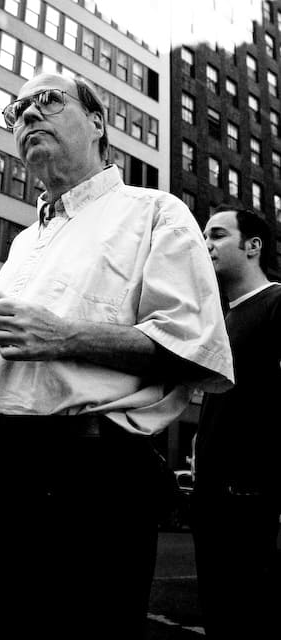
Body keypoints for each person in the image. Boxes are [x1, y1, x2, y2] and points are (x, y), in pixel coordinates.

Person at [0, 73, 234, 639]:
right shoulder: (24, 239)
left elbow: (196, 350)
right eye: (18, 110)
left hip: (69, 480)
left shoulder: (154, 212)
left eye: (48, 100)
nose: (28, 116)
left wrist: (67, 338)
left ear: (98, 122)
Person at [192, 205, 281, 639]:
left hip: (251, 504)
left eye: (217, 235)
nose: (205, 245)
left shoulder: (276, 305)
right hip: (212, 504)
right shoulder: (222, 321)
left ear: (253, 247)